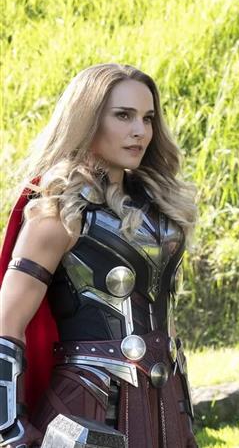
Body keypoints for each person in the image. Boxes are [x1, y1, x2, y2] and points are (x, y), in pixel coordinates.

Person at [0, 64, 198, 447]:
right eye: (123, 116)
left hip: (164, 407)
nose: (140, 131)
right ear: (87, 119)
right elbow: (6, 323)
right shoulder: (59, 213)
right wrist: (9, 427)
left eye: (147, 118)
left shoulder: (158, 211)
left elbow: (166, 327)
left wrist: (183, 416)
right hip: (86, 408)